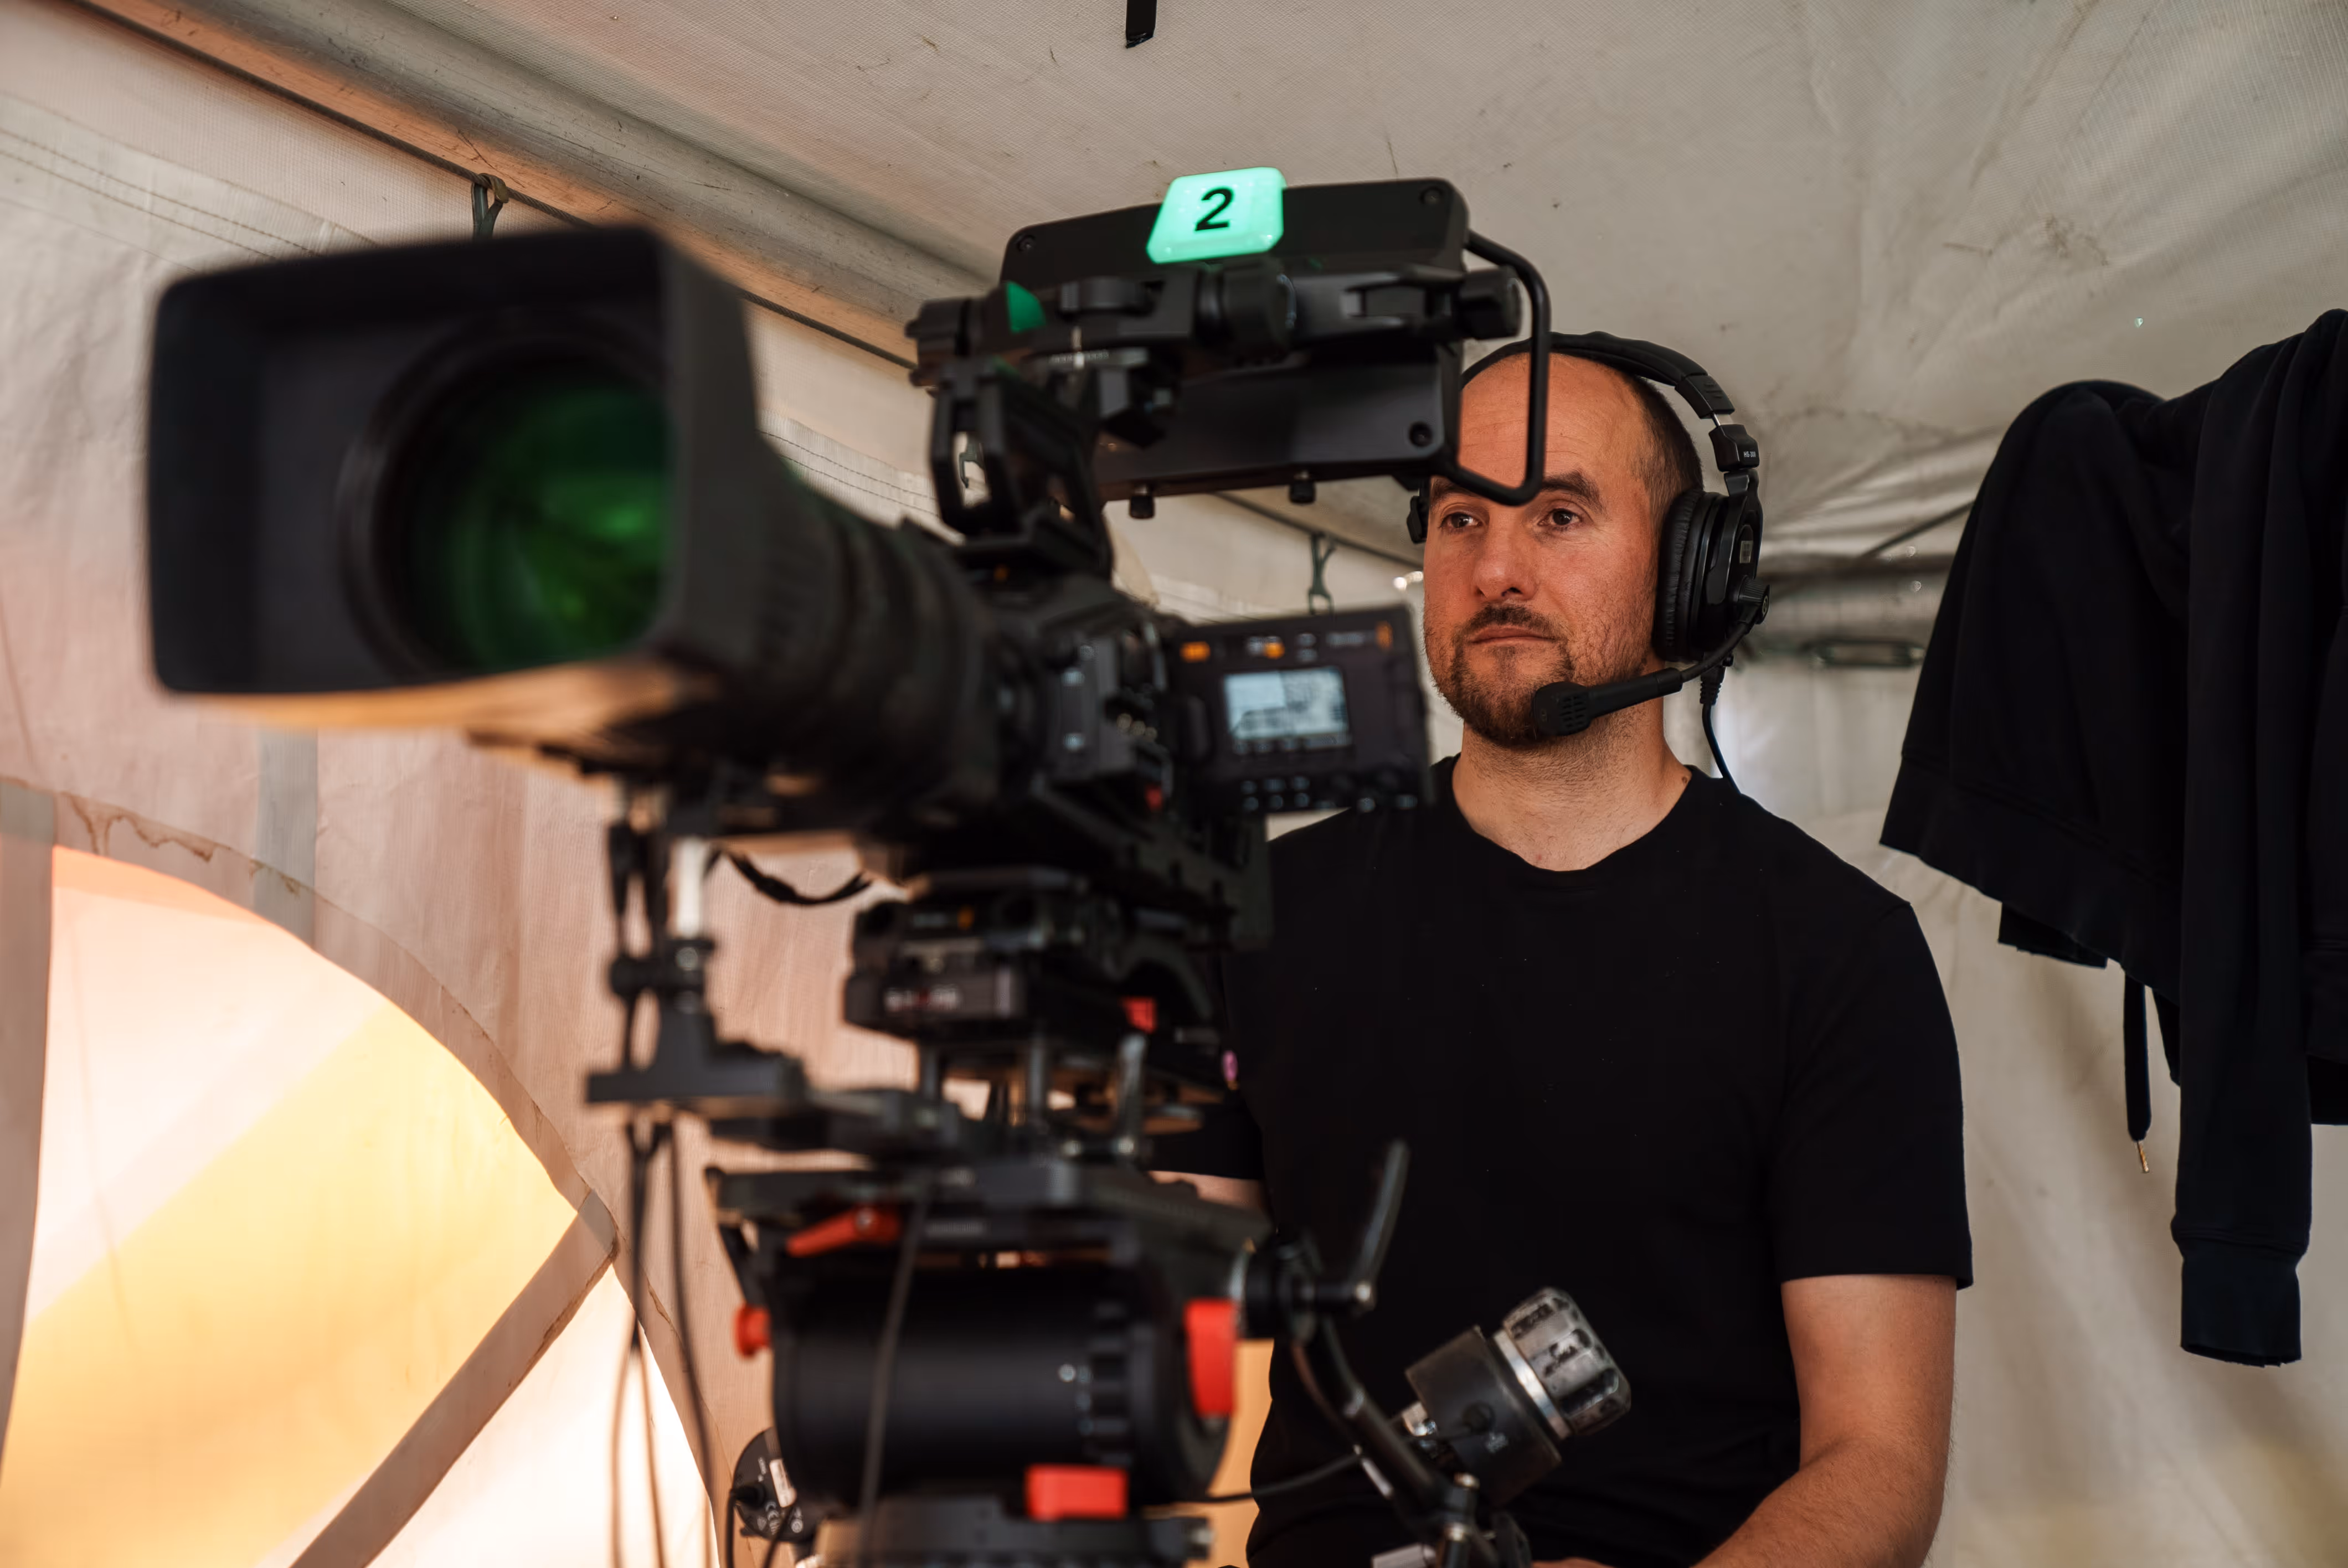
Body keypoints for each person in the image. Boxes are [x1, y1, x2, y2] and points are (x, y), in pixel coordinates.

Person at [1153, 346, 1971, 1568]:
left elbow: (1880, 1460)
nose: (1494, 568)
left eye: (1557, 515)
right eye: (1460, 517)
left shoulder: (1837, 954)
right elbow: (1160, 1326)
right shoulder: (1255, 914)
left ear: (1689, 571)